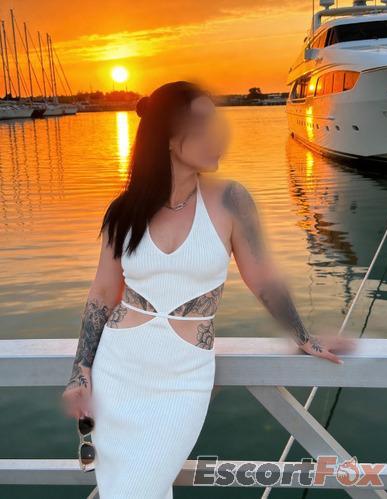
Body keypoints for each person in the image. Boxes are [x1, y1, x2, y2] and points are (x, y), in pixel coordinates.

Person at [61, 80, 355, 498]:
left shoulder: (231, 200)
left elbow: (262, 278)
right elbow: (102, 294)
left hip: (184, 378)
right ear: (169, 138)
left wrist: (303, 337)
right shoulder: (124, 211)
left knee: (139, 487)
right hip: (119, 370)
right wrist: (81, 371)